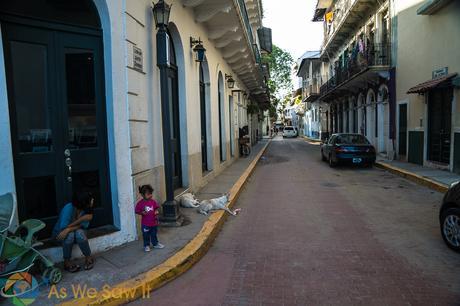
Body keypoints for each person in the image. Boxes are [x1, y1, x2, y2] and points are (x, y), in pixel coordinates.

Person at [52, 191, 95, 272]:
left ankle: (88, 257)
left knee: (80, 233)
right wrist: (70, 228)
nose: (92, 200)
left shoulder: (86, 210)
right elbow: (63, 229)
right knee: (70, 234)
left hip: (75, 235)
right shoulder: (68, 208)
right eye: (90, 199)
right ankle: (67, 262)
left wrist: (79, 221)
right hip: (60, 236)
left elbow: (84, 226)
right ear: (84, 202)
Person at [135, 185, 164, 252]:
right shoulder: (140, 203)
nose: (150, 195)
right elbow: (136, 210)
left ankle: (155, 244)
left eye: (151, 193)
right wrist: (142, 212)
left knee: (154, 234)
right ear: (142, 195)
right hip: (145, 224)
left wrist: (156, 211)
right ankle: (146, 245)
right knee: (146, 235)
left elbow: (156, 207)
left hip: (153, 222)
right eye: (148, 194)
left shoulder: (153, 202)